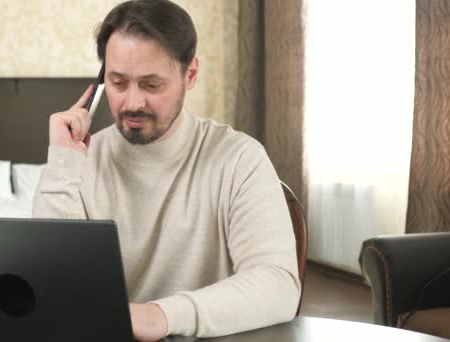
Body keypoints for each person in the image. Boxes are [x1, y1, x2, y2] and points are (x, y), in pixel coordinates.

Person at [33, 0, 300, 340]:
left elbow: (278, 285)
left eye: (151, 85)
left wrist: (160, 315)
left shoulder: (239, 159)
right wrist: (62, 163)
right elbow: (50, 286)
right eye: (118, 83)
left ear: (190, 75)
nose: (132, 103)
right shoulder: (77, 161)